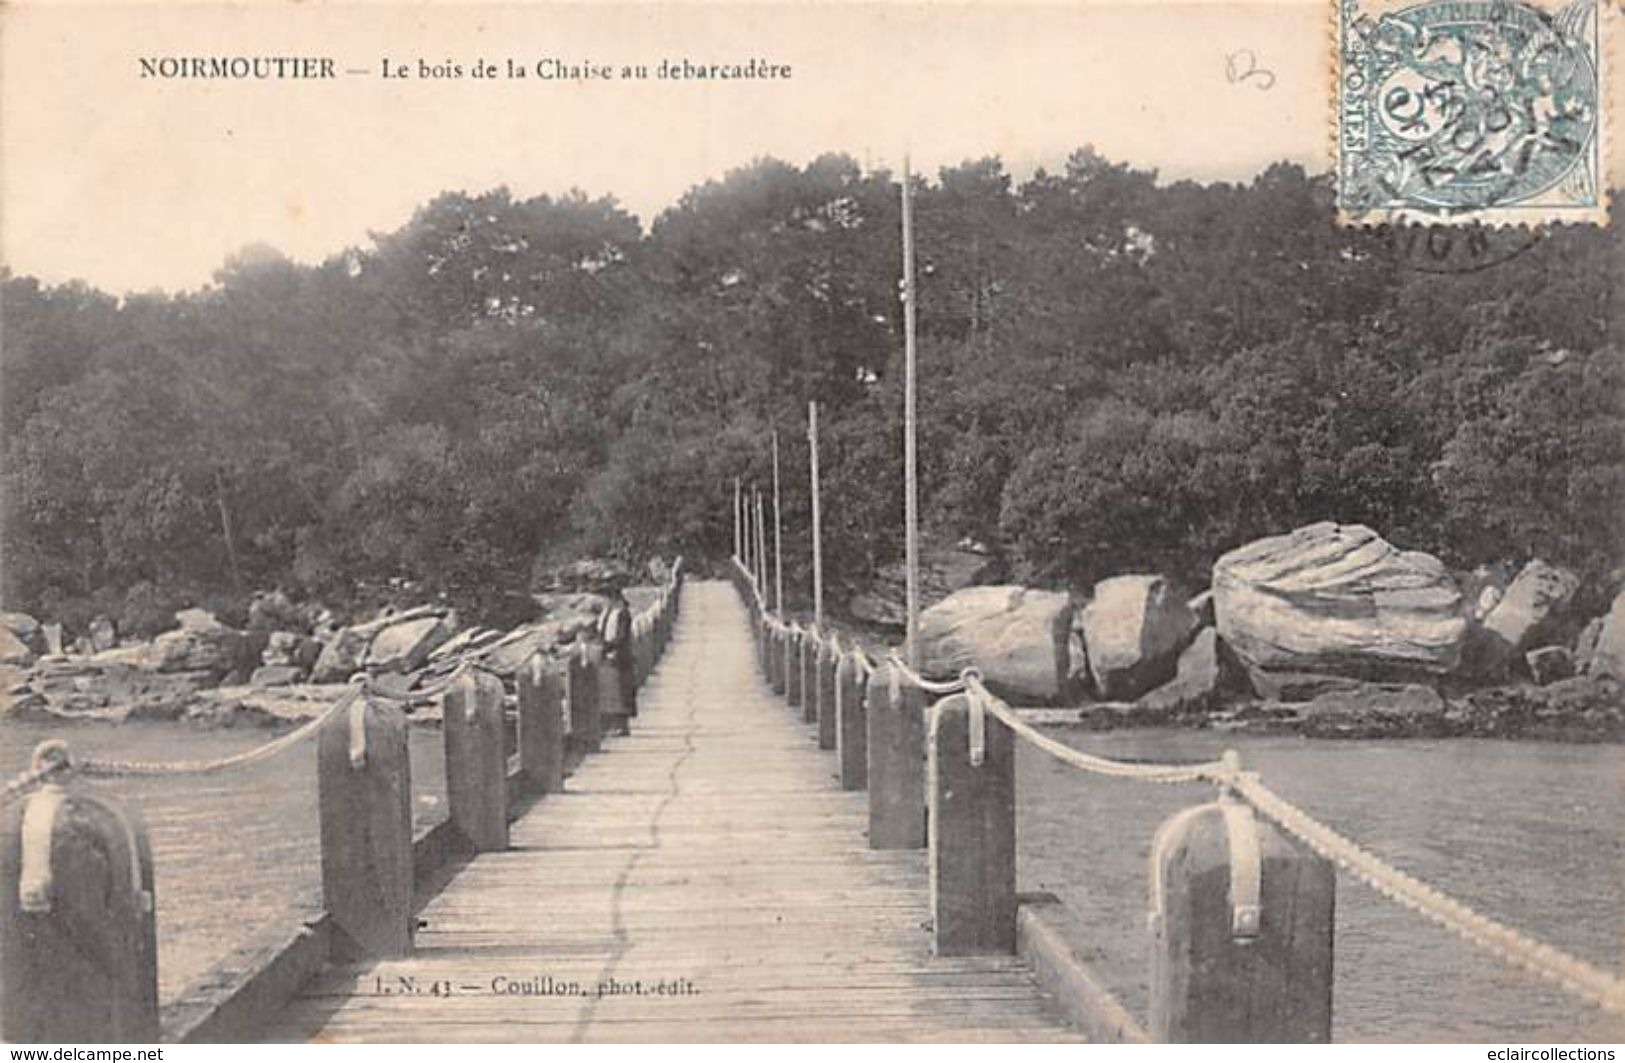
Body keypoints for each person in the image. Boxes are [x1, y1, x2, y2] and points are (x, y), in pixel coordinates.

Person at [599, 587, 636, 735]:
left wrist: (609, 646)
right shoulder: (607, 613)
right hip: (608, 654)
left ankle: (622, 725)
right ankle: (610, 725)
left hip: (620, 656)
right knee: (610, 691)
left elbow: (622, 636)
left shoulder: (623, 613)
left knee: (622, 690)